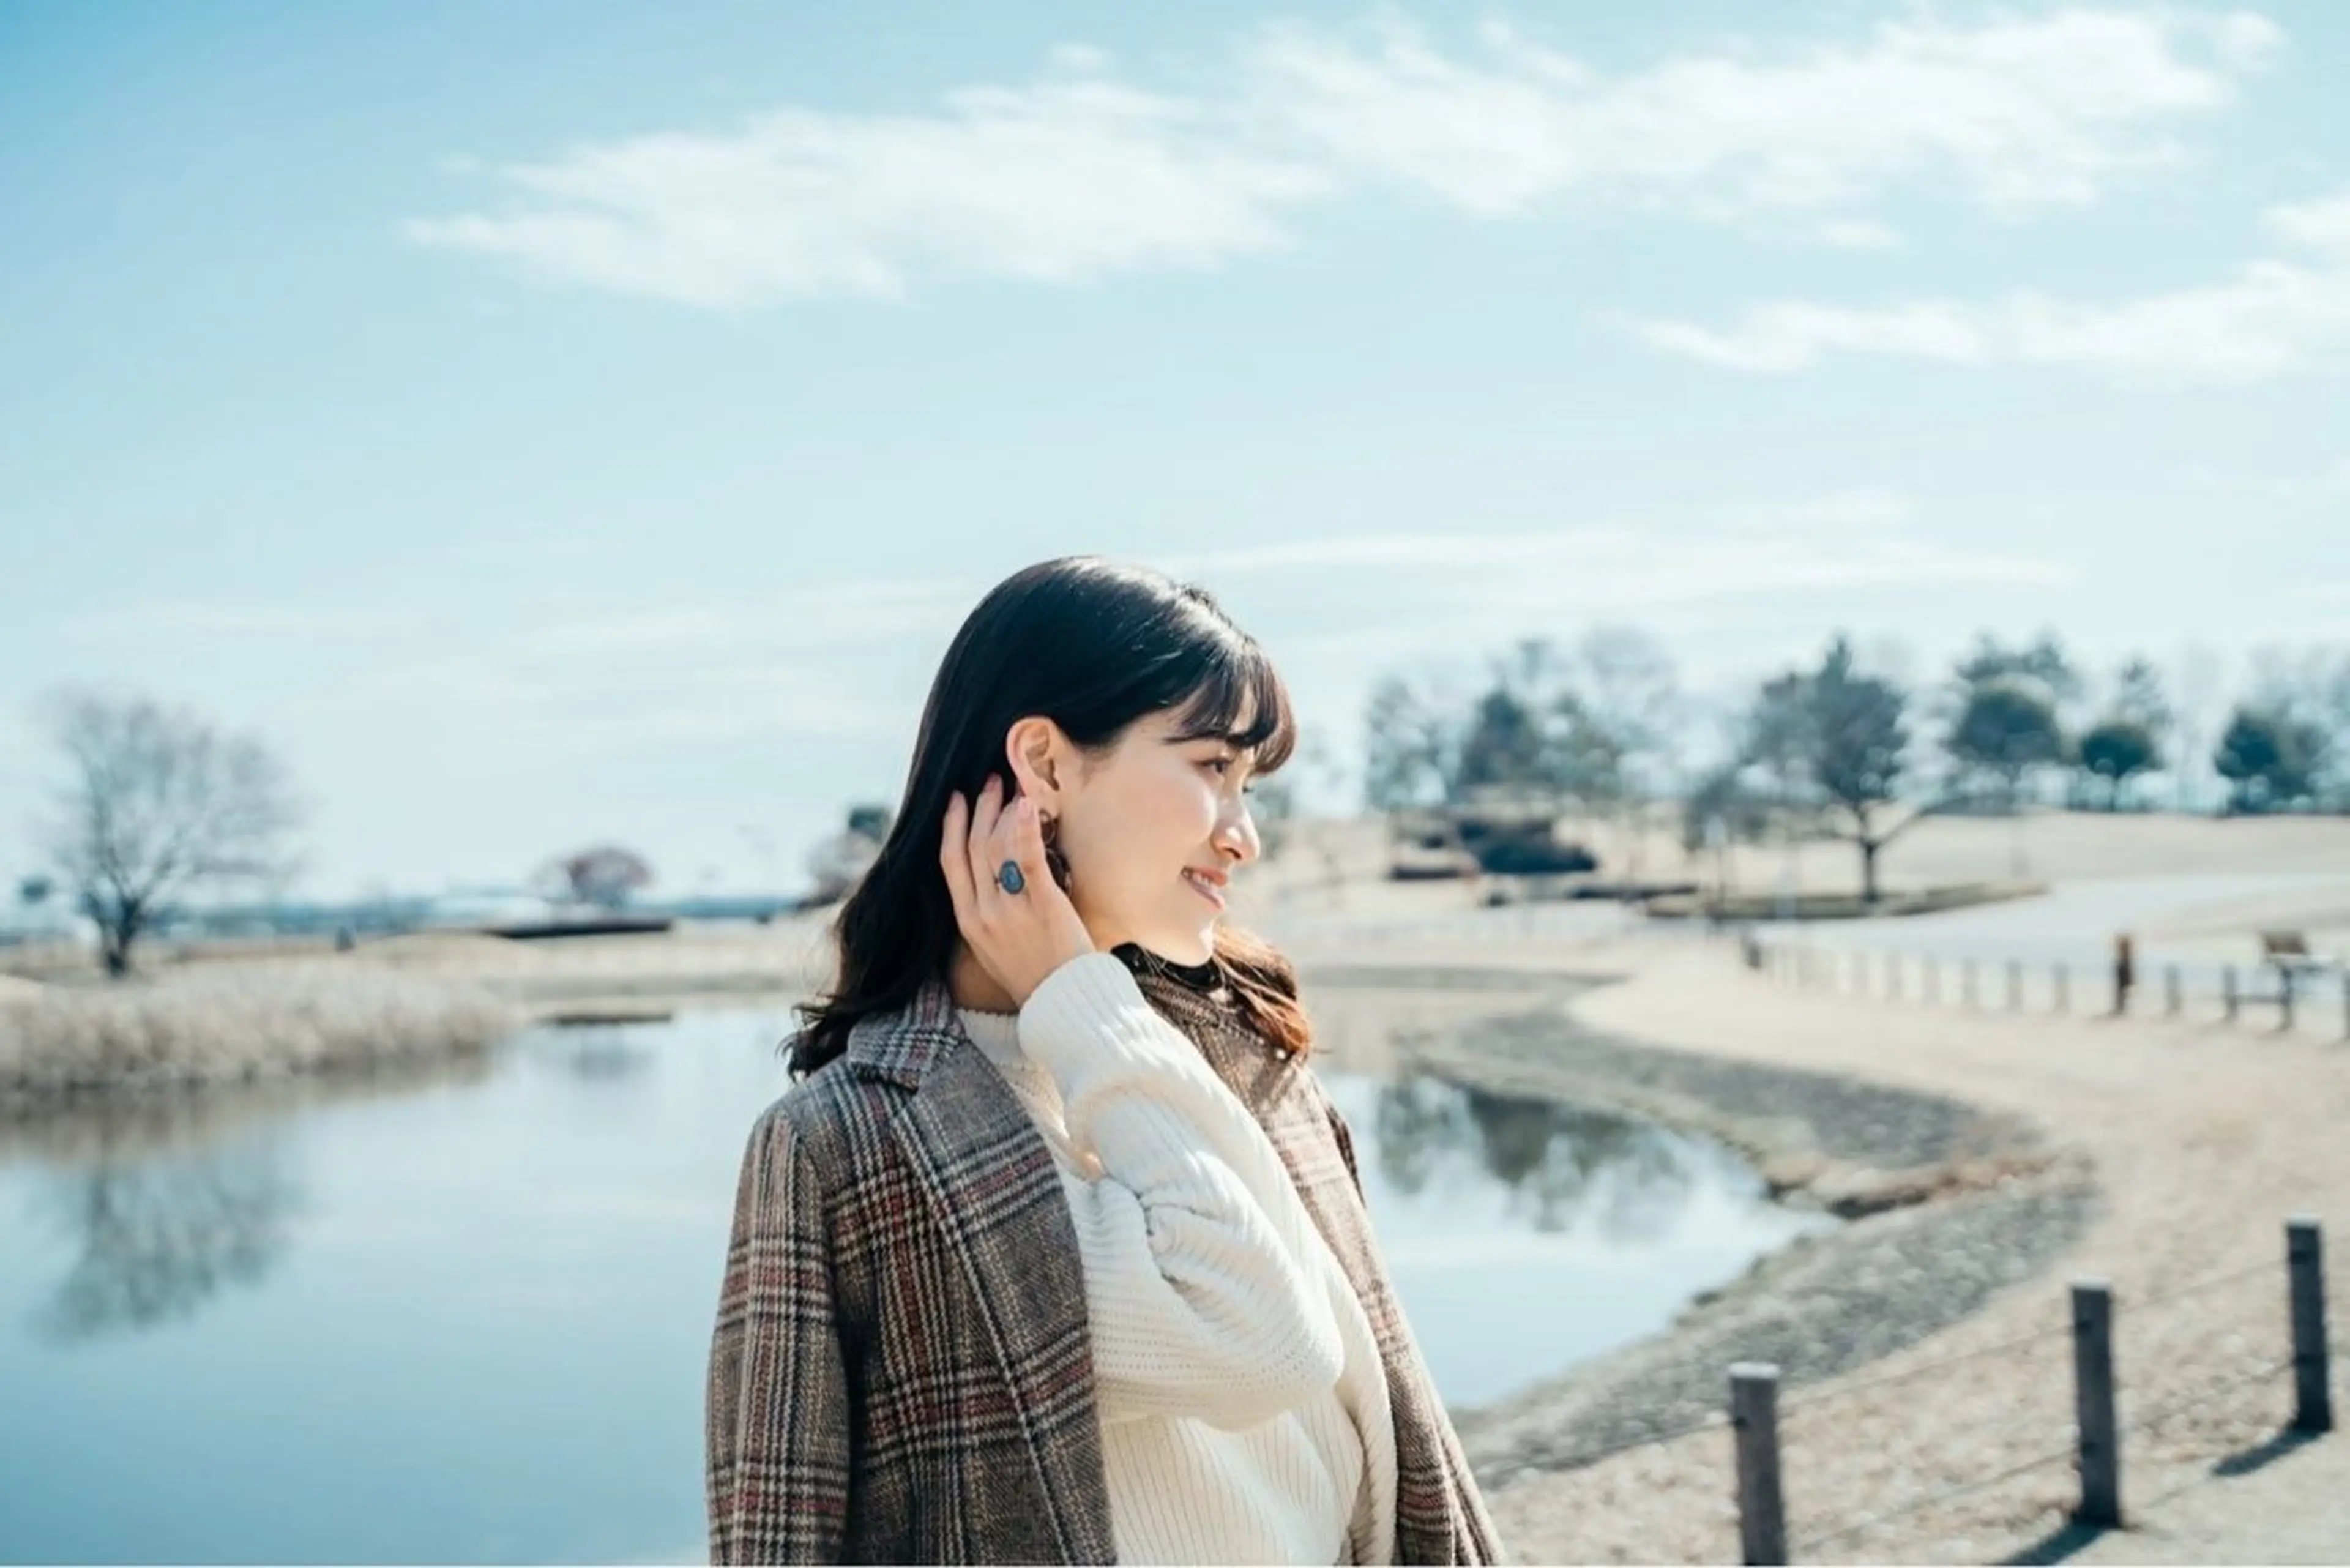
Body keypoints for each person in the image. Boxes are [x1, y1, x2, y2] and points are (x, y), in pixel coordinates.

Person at [706, 557, 1500, 1564]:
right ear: (1044, 764)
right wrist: (1074, 999)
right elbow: (1267, 1340)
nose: (1244, 836)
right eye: (1211, 766)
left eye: (1248, 784)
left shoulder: (1245, 1058)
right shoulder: (847, 1142)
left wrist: (1080, 1001)